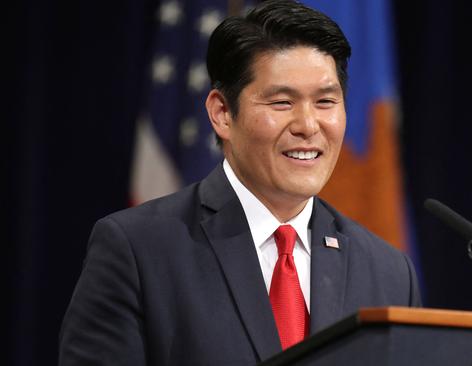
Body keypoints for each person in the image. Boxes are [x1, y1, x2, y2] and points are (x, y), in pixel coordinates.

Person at [59, 1, 421, 364]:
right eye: (282, 102)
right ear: (222, 113)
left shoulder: (388, 272)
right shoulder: (137, 251)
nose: (308, 126)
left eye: (326, 101)